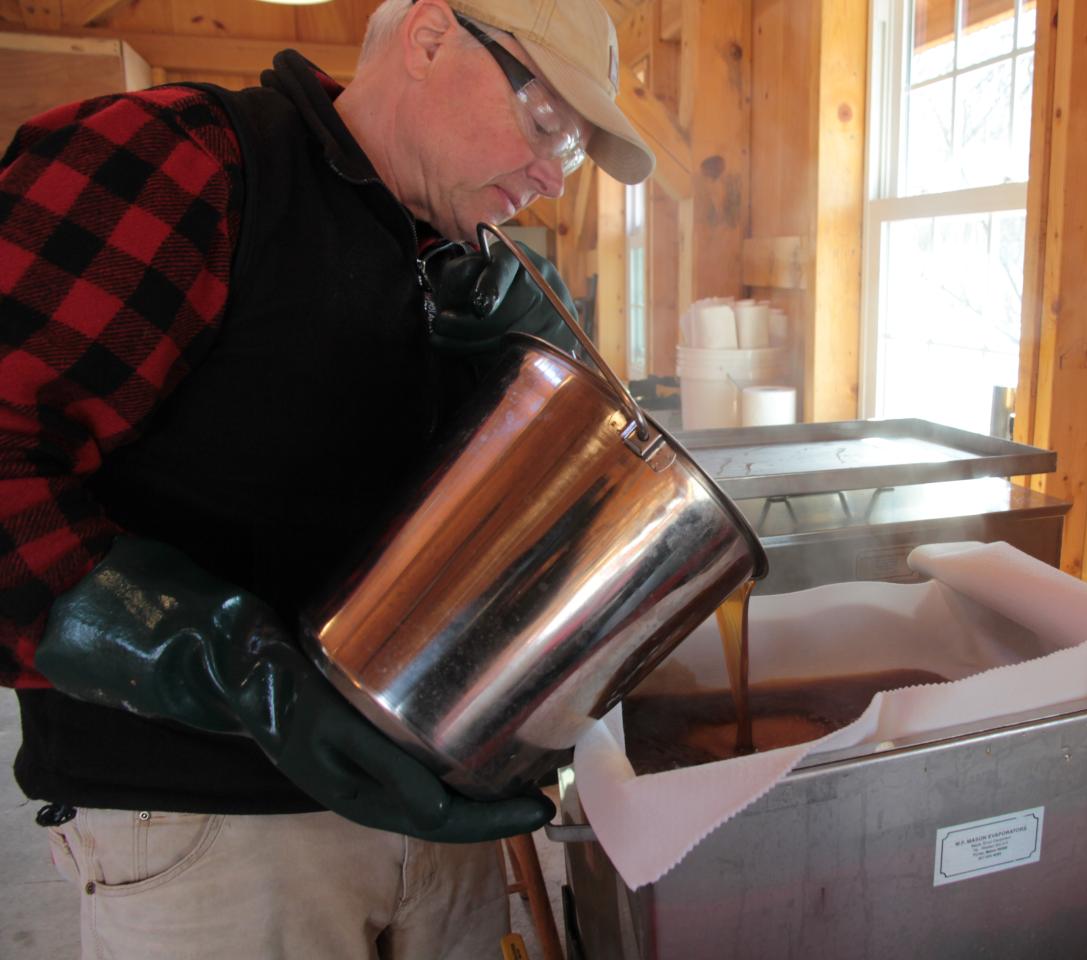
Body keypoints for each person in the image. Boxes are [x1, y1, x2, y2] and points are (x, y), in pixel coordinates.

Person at [0, 0, 654, 955]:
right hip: (213, 835)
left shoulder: (461, 260)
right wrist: (223, 662)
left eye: (577, 150)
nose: (553, 177)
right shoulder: (191, 164)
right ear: (432, 37)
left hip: (434, 818)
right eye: (548, 121)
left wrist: (545, 364)